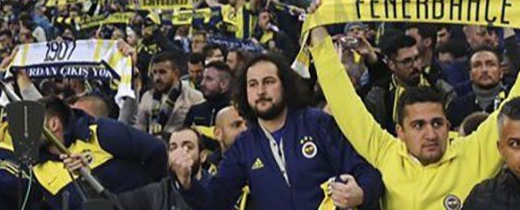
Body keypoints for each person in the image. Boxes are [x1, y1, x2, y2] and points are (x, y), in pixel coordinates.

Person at [306, 0, 520, 210]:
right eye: (418, 125)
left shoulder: (473, 153)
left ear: (447, 124)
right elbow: (345, 104)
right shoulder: (386, 153)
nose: (431, 134)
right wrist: (317, 34)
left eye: (437, 123)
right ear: (400, 131)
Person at [173, 51, 383, 210]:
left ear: (285, 85)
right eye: (253, 84)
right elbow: (215, 200)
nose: (261, 91)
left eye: (269, 82)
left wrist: (361, 193)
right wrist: (187, 183)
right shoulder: (244, 146)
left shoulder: (317, 123)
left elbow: (367, 172)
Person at [33, 96, 167, 210]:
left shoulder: (100, 132)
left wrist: (155, 195)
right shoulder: (39, 169)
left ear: (54, 124)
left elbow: (156, 150)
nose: (27, 134)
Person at [116, 127, 200, 210]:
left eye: (188, 147)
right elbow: (118, 202)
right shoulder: (159, 190)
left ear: (203, 156)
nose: (179, 154)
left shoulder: (207, 190)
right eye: (173, 148)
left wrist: (186, 184)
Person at [136, 51, 204, 137]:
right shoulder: (147, 97)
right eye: (154, 72)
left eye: (162, 72)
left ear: (176, 73)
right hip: (152, 142)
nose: (157, 78)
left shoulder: (194, 96)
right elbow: (139, 131)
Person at [449, 48, 509, 128]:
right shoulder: (457, 106)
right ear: (470, 74)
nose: (484, 70)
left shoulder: (511, 101)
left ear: (501, 72)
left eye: (490, 64)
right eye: (477, 65)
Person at [184, 61, 233, 130]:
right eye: (203, 78)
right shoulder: (195, 111)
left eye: (209, 79)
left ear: (223, 84)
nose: (202, 83)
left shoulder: (235, 112)